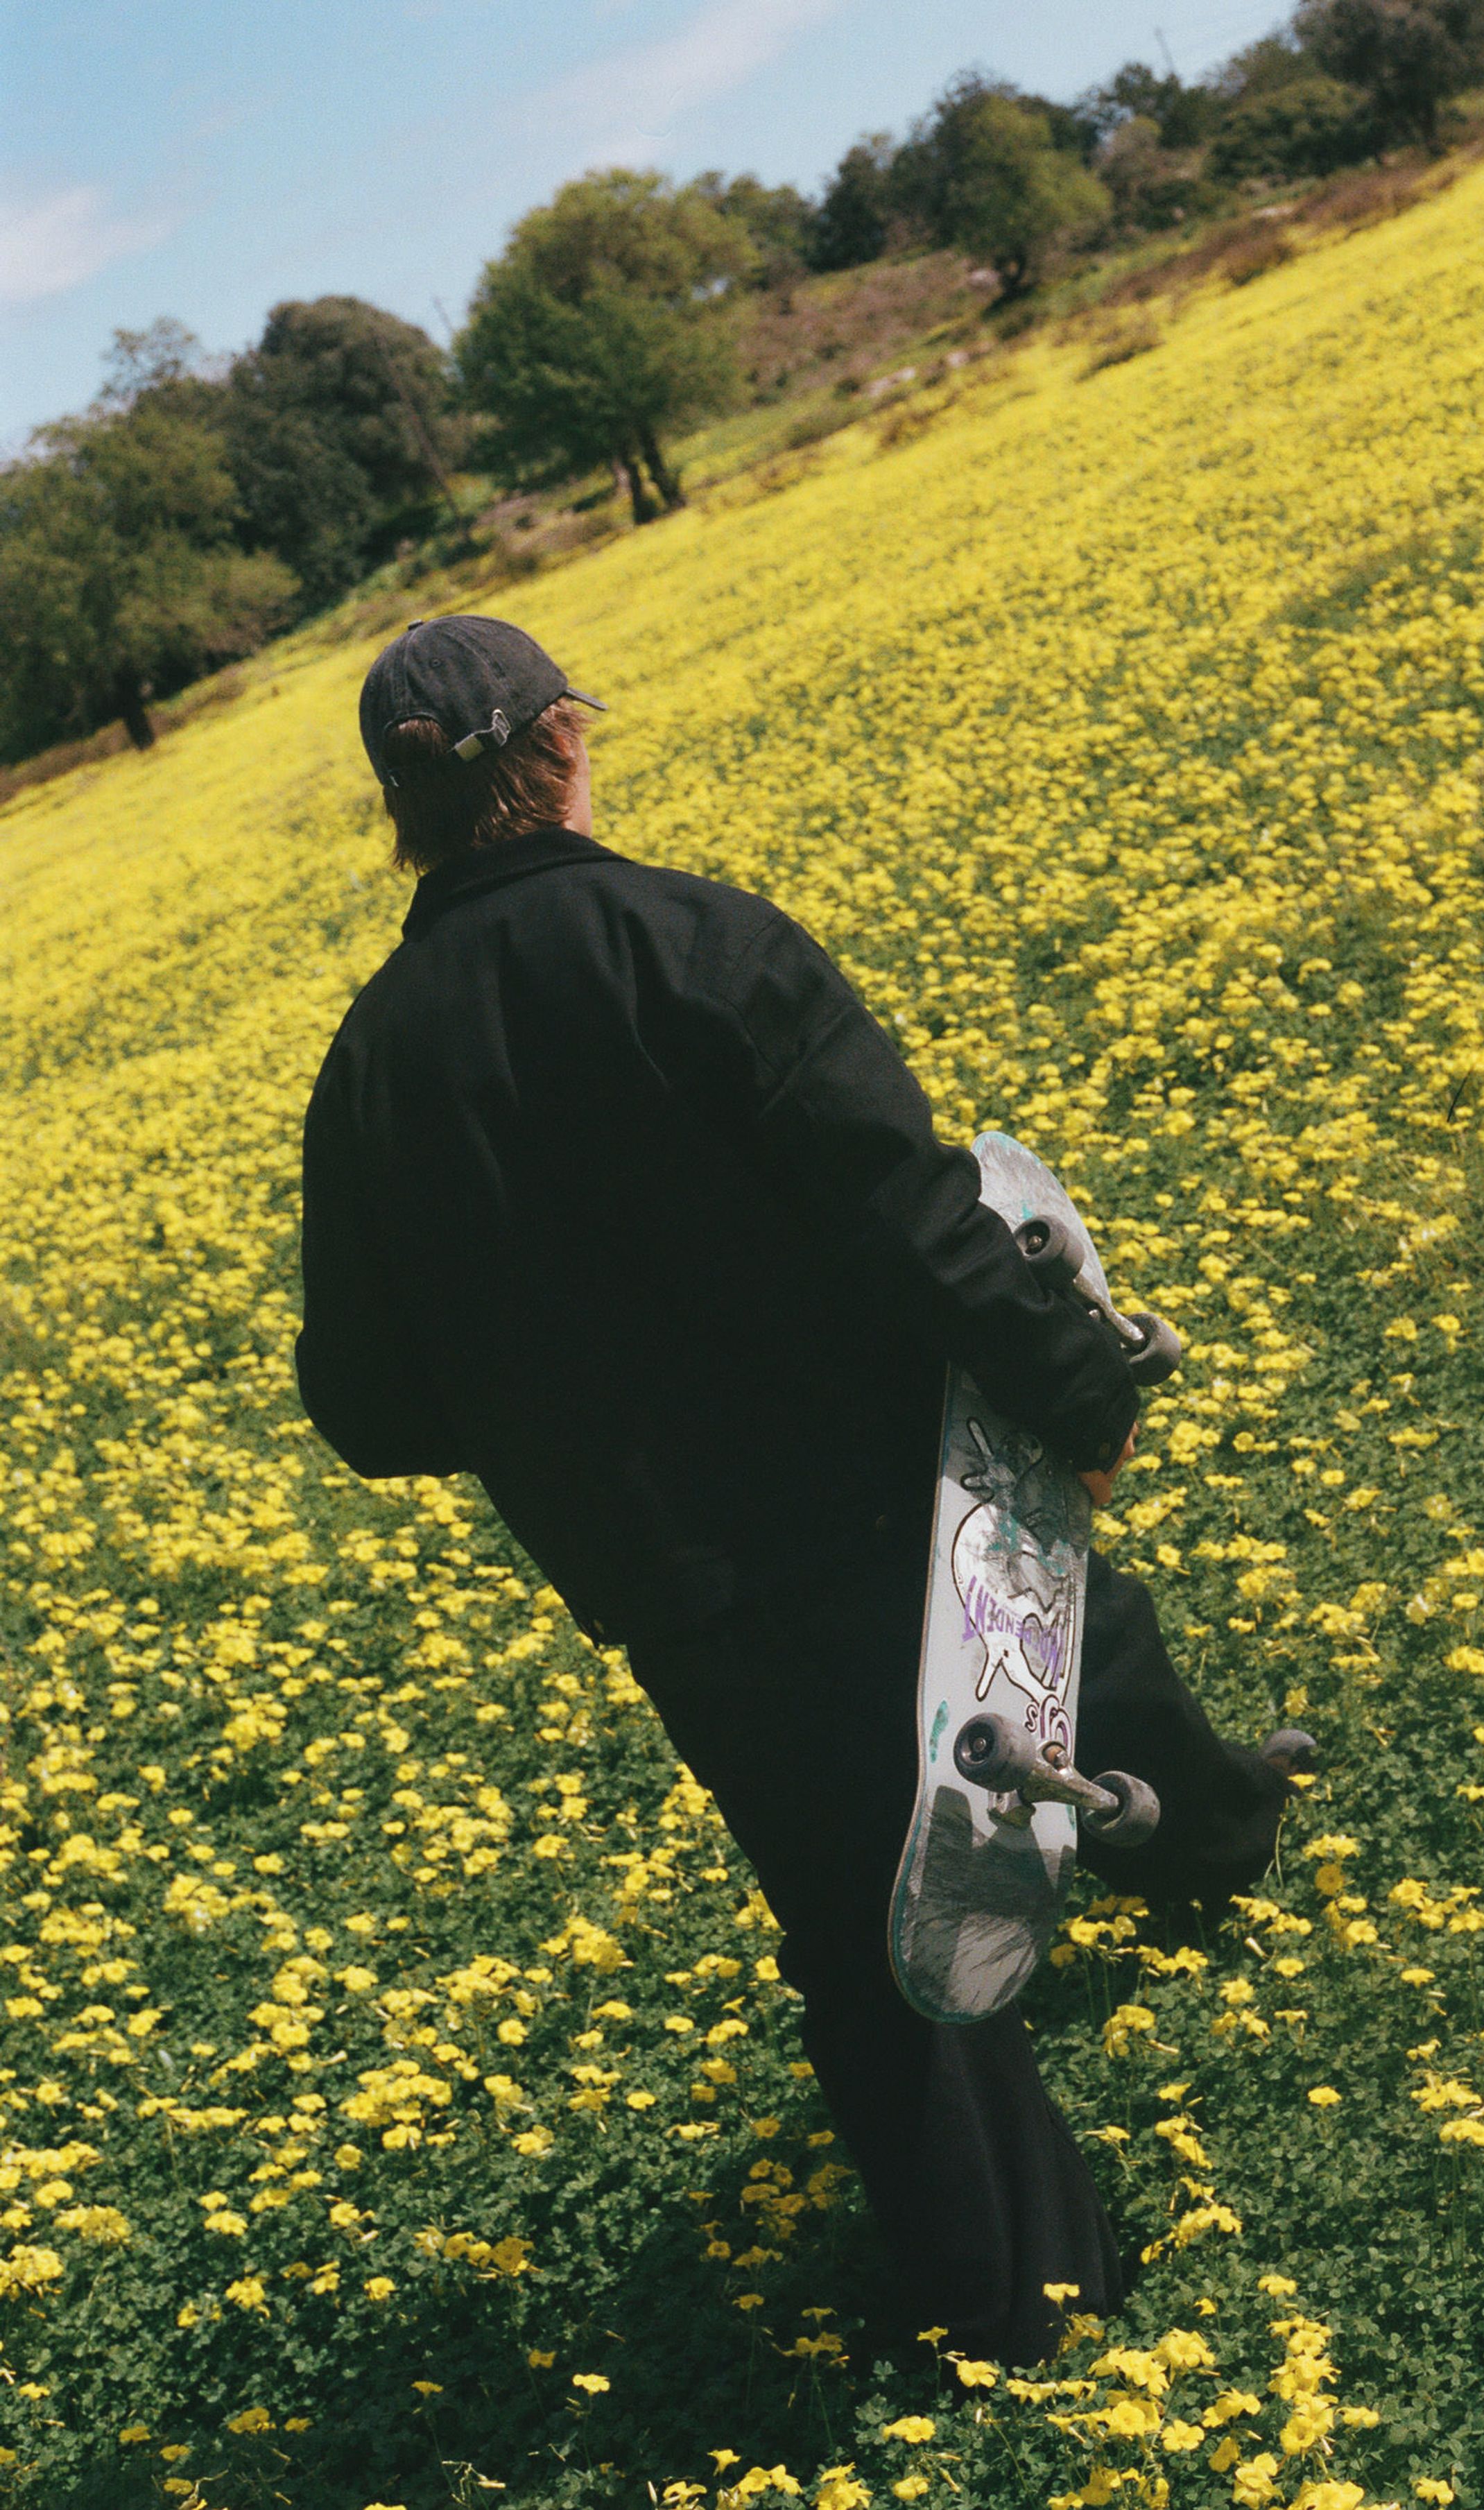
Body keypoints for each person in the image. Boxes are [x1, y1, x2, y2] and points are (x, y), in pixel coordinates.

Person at [296, 616, 1306, 2369]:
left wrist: (548, 1409)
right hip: (894, 1475)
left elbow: (372, 1411)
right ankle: (1207, 1868)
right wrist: (1074, 1390)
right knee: (1058, 1643)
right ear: (562, 743)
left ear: (403, 811)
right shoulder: (698, 944)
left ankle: (1013, 2293)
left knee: (867, 1901)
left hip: (680, 1573)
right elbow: (914, 1215)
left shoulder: (369, 1070)